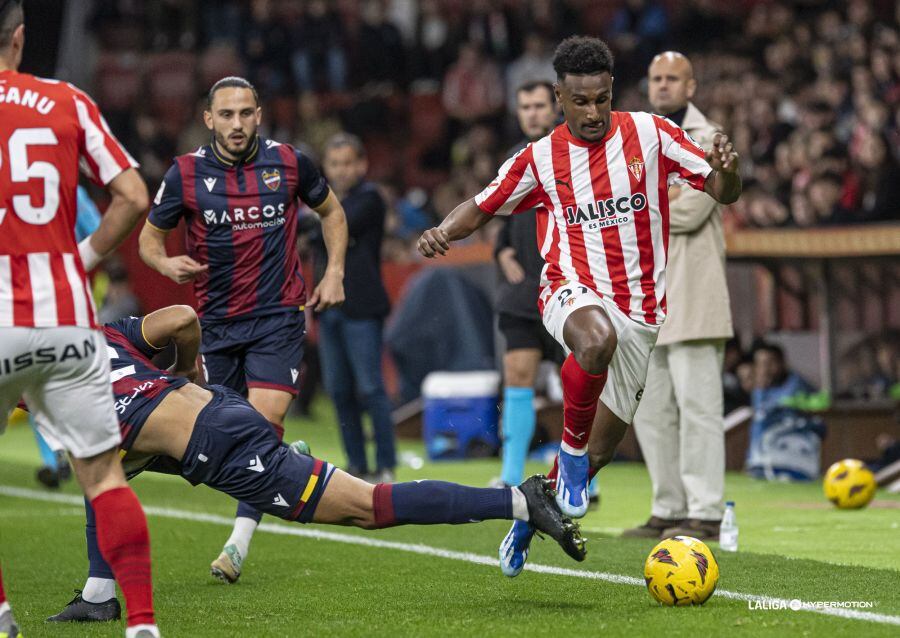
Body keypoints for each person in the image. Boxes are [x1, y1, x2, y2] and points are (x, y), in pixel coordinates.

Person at [416, 35, 741, 578]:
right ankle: (566, 459)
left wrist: (729, 172)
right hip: (568, 290)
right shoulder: (541, 158)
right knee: (594, 342)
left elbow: (721, 191)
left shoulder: (653, 134)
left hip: (642, 312)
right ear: (559, 98)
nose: (593, 112)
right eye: (581, 101)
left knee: (601, 456)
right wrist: (439, 233)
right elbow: (482, 205)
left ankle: (527, 517)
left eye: (602, 99)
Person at [47, 305, 586, 621]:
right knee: (108, 466)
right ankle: (99, 594)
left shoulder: (27, 372)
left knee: (366, 508)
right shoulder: (102, 333)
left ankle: (520, 500)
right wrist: (188, 372)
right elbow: (184, 317)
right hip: (219, 409)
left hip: (226, 445)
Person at [138, 76, 349, 584]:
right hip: (216, 324)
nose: (237, 124)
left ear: (260, 115)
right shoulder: (185, 174)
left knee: (259, 423)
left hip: (278, 316)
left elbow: (333, 213)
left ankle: (237, 545)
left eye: (246, 113)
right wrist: (167, 267)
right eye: (227, 115)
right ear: (208, 119)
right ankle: (283, 457)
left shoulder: (291, 162)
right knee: (223, 448)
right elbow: (149, 238)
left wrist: (335, 271)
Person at [0, 2, 160, 636]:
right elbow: (133, 196)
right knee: (103, 475)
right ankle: (142, 626)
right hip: (67, 317)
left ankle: (3, 617)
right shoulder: (66, 99)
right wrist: (83, 257)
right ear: (18, 36)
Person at [624, 51, 734, 542]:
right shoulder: (639, 138)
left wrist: (644, 199)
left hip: (695, 290)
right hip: (650, 295)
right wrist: (657, 195)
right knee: (651, 409)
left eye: (673, 78)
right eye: (656, 78)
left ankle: (706, 511)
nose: (663, 85)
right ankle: (668, 506)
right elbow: (626, 210)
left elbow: (690, 211)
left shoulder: (708, 139)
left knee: (699, 407)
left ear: (690, 87)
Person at [306, 133, 396, 482]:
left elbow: (334, 225)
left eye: (348, 163)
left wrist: (314, 226)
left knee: (371, 387)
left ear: (362, 164)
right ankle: (357, 464)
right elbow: (320, 228)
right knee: (340, 390)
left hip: (361, 305)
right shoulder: (328, 205)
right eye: (335, 164)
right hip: (329, 307)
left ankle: (386, 464)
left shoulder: (370, 198)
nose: (342, 170)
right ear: (326, 168)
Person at [494, 80, 563, 488]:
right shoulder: (512, 159)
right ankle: (509, 475)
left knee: (576, 383)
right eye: (525, 106)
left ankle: (584, 477)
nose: (533, 113)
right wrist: (503, 251)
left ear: (554, 108)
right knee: (517, 375)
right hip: (522, 295)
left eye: (539, 105)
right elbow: (500, 219)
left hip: (566, 288)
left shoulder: (572, 153)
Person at [32, 185, 103, 489]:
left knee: (36, 379)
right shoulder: (71, 191)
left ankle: (56, 455)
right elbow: (100, 231)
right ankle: (79, 452)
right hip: (70, 300)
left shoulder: (11, 185)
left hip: (28, 300)